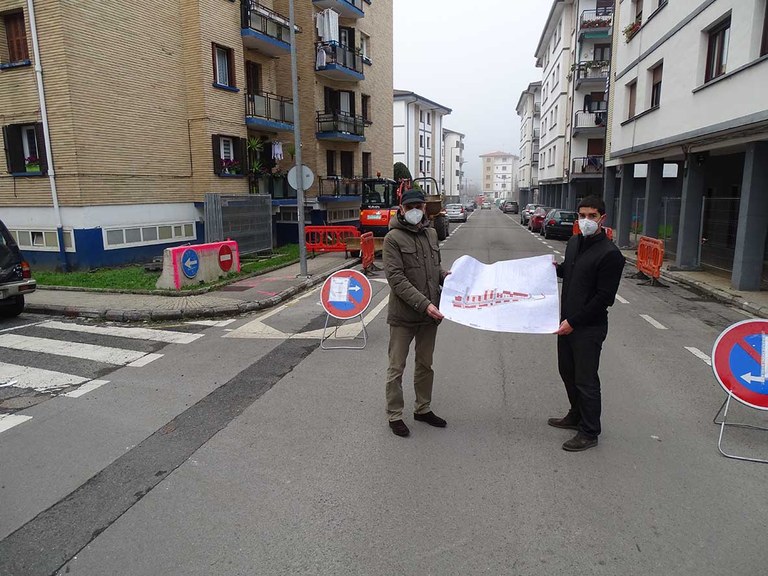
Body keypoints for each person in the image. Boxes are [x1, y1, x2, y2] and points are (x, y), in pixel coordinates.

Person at [550, 195, 625, 452]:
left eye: (592, 216)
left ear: (602, 218)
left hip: (588, 327)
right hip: (566, 323)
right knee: (567, 372)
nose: (586, 221)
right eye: (582, 215)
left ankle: (590, 431)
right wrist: (551, 269)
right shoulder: (573, 243)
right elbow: (569, 272)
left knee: (586, 379)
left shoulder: (610, 254)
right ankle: (575, 414)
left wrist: (574, 321)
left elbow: (604, 298)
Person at [383, 188, 450, 437]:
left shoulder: (431, 234)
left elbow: (435, 268)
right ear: (401, 209)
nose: (414, 211)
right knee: (396, 367)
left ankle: (423, 408)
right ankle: (395, 414)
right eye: (409, 207)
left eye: (418, 207)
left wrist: (448, 277)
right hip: (403, 316)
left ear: (425, 208)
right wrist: (425, 304)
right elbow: (397, 279)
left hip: (429, 316)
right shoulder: (393, 238)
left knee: (425, 364)